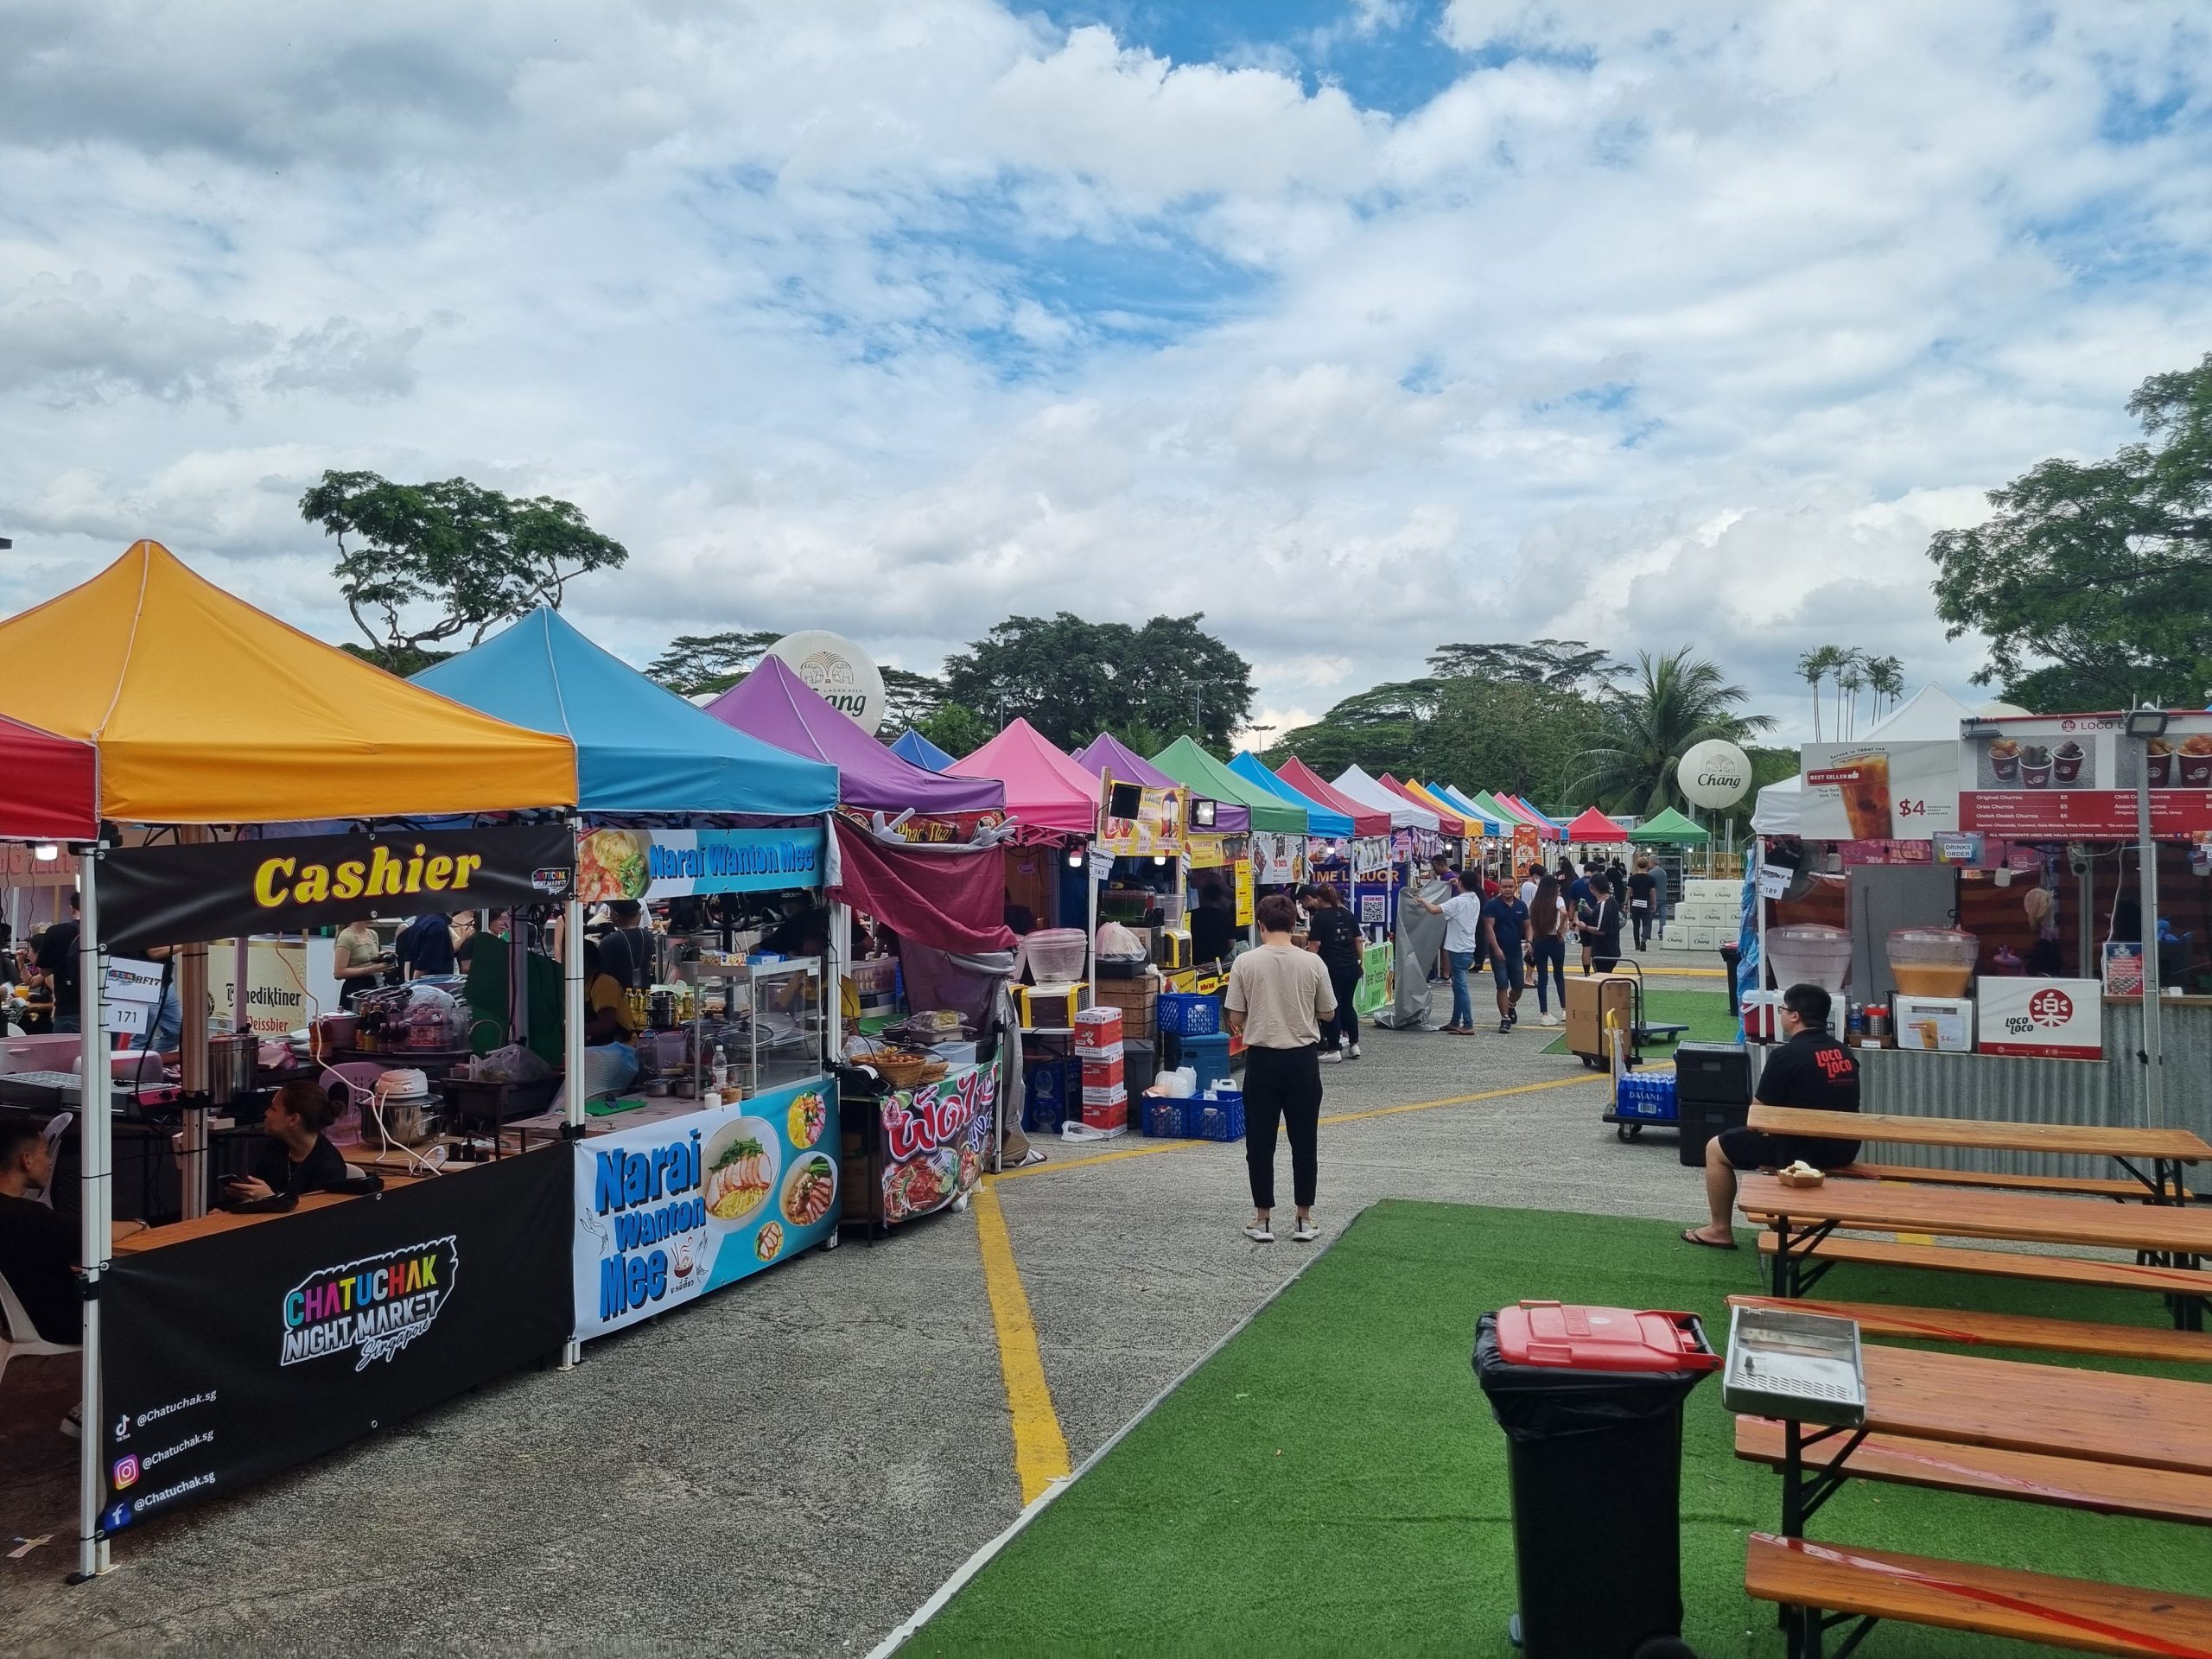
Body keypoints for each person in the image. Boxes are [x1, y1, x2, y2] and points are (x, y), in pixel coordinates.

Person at [1685, 983, 1859, 1249]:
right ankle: (1787, 1221)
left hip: (1803, 1152)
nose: (1781, 1014)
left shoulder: (1786, 1055)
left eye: (1783, 1009)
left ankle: (1720, 1229)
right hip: (1844, 1148)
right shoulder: (1844, 1052)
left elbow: (1758, 1117)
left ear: (1794, 1016)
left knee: (1716, 1148)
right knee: (1774, 1141)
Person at [1225, 893, 1335, 1244]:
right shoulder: (1313, 963)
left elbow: (1236, 1017)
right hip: (1303, 1060)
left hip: (1262, 1060)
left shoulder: (1245, 962)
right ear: (1293, 925)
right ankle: (1304, 1218)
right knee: (1305, 1140)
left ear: (1260, 925)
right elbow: (1330, 1012)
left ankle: (1263, 1219)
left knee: (1260, 1142)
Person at [219, 1080, 353, 1211]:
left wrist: (270, 1198)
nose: (266, 1113)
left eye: (273, 1108)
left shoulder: (329, 1167)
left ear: (293, 1119)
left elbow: (313, 1222)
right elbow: (256, 1195)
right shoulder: (276, 1148)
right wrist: (231, 1208)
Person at [1416, 871, 1489, 1035]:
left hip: (1457, 948)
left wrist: (1423, 900)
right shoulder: (1475, 898)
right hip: (1468, 947)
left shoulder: (1457, 901)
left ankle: (1468, 1023)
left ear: (1462, 882)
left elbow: (1435, 910)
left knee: (1461, 987)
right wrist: (1458, 882)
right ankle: (1455, 1021)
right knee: (1457, 986)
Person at [1300, 883, 1364, 1062]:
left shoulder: (1320, 917)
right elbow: (1359, 940)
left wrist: (1306, 963)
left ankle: (1334, 1048)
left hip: (1332, 968)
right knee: (1348, 1004)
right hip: (1352, 965)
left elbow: (1315, 945)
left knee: (1331, 1007)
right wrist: (1361, 962)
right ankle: (1354, 1044)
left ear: (1319, 899)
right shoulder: (1347, 913)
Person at [1481, 880, 1529, 1033]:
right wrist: (1496, 949)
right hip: (1499, 952)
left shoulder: (1521, 906)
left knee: (1518, 986)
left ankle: (1511, 1004)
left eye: (1511, 887)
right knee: (1502, 984)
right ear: (1499, 888)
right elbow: (1489, 928)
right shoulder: (1492, 905)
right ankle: (1505, 1018)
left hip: (1515, 951)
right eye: (1504, 887)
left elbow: (1528, 925)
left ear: (1516, 888)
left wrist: (1530, 942)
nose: (1508, 889)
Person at [1525, 873, 1569, 1026]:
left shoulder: (1534, 901)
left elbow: (1530, 923)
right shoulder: (1558, 899)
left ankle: (1544, 1013)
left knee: (1542, 977)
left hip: (1539, 940)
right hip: (1555, 940)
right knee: (1559, 975)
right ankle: (1565, 1010)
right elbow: (1564, 912)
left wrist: (1529, 941)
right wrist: (1561, 930)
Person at [35, 891, 81, 1032]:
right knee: (109, 1053)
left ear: (72, 908)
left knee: (67, 1054)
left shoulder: (56, 931)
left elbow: (45, 971)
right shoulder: (111, 930)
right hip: (108, 1009)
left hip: (68, 1008)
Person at [333, 917, 388, 1008]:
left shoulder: (372, 934)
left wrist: (383, 960)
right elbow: (338, 973)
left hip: (376, 986)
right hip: (356, 989)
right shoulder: (347, 937)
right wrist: (370, 969)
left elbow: (371, 961)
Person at [1578, 874, 1624, 972]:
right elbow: (1604, 919)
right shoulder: (1611, 901)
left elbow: (1601, 930)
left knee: (1601, 979)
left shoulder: (1603, 905)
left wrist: (1585, 927)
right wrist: (1590, 911)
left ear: (1592, 887)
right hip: (1611, 949)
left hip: (1603, 950)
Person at [393, 909, 455, 980]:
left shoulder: (421, 920)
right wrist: (416, 983)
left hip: (415, 982)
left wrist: (408, 982)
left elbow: (408, 957)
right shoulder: (438, 926)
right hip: (433, 984)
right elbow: (424, 965)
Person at [1189, 881, 1236, 968]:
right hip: (1218, 963)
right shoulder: (1226, 917)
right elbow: (1231, 944)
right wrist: (1220, 954)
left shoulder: (1192, 915)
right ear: (1219, 897)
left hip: (1195, 962)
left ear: (1202, 896)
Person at [1628, 859, 1659, 951]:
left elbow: (1629, 891)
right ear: (1647, 866)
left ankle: (1637, 945)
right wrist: (1653, 903)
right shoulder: (1650, 879)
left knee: (1636, 925)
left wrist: (1626, 902)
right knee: (1646, 924)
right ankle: (1643, 939)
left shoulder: (1632, 878)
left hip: (1635, 904)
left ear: (1637, 865)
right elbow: (1652, 892)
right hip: (1645, 903)